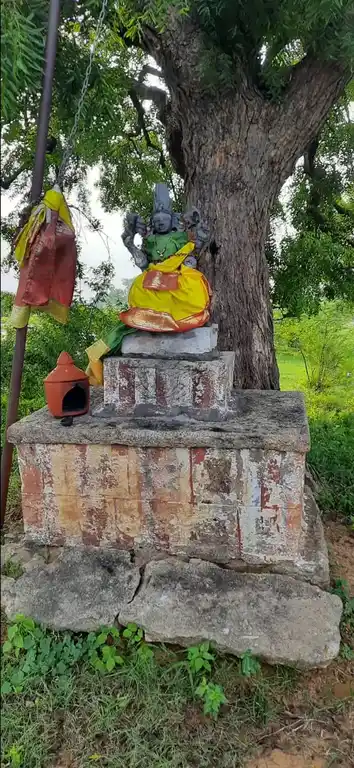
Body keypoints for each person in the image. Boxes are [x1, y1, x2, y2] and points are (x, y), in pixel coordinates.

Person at [86, 184, 211, 386]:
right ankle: (149, 319)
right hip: (154, 274)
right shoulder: (151, 240)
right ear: (152, 223)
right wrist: (131, 245)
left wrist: (199, 233)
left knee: (191, 287)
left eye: (164, 220)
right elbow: (144, 262)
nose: (161, 224)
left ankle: (180, 318)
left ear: (172, 222)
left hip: (176, 273)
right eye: (157, 221)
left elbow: (192, 251)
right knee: (139, 287)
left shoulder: (180, 237)